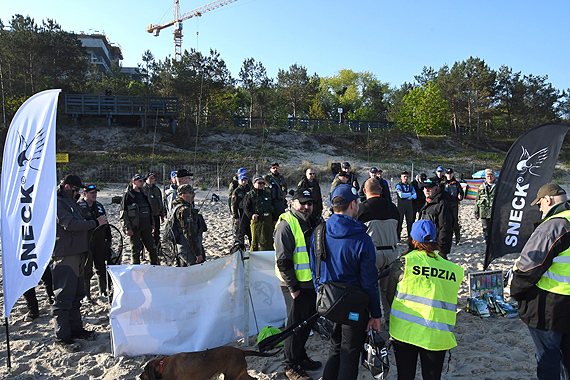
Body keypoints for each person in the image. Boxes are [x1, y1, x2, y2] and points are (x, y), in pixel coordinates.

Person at [310, 184, 381, 380]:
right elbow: (369, 282)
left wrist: (322, 294)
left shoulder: (319, 232)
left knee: (335, 348)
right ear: (352, 204)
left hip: (328, 302)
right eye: (357, 202)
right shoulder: (362, 239)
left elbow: (314, 269)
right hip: (354, 305)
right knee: (350, 354)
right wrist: (376, 313)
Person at [387, 219, 464, 380]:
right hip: (436, 332)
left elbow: (389, 296)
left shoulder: (403, 264)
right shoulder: (454, 270)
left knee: (405, 376)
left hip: (404, 331)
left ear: (412, 240)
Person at [511, 183, 570, 380]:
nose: (540, 209)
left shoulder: (554, 225)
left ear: (548, 200)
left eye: (540, 204)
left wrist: (516, 292)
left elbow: (529, 268)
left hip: (551, 305)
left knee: (548, 357)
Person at [52, 175, 107, 350]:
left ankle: (76, 329)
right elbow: (70, 224)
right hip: (65, 255)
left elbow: (78, 222)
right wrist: (94, 223)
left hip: (78, 253)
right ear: (67, 186)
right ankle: (62, 337)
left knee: (77, 296)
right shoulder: (58, 202)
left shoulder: (71, 201)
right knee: (63, 298)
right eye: (76, 190)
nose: (77, 193)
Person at [274, 188, 320, 380]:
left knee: (307, 324)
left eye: (310, 203)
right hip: (295, 287)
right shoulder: (287, 225)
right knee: (294, 327)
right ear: (293, 203)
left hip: (310, 284)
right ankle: (290, 365)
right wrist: (293, 287)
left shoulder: (313, 221)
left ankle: (300, 357)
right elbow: (283, 260)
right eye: (302, 203)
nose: (306, 207)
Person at [357, 178, 400, 327]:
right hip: (392, 253)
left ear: (364, 191)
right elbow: (398, 230)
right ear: (381, 190)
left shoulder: (361, 209)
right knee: (388, 291)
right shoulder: (393, 208)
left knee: (370, 288)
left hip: (373, 254)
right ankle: (390, 319)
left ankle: (372, 320)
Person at [77, 184, 111, 301]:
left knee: (101, 266)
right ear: (85, 194)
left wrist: (108, 240)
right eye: (92, 193)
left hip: (100, 240)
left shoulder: (99, 206)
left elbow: (106, 225)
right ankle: (86, 294)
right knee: (86, 268)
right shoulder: (79, 207)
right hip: (85, 241)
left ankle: (103, 291)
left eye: (95, 193)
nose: (94, 195)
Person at [120, 173, 158, 265]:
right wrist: (127, 228)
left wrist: (152, 224)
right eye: (140, 181)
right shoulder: (128, 195)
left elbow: (149, 210)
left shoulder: (144, 194)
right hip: (135, 227)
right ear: (134, 182)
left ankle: (155, 267)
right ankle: (136, 270)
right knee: (135, 251)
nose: (142, 183)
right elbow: (123, 213)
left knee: (152, 249)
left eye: (143, 181)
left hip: (146, 227)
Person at [418, 178, 453, 259]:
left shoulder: (442, 204)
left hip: (436, 247)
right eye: (425, 188)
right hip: (425, 245)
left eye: (429, 188)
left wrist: (441, 249)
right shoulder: (427, 203)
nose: (426, 190)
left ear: (437, 188)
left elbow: (445, 228)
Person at [170, 184, 204, 266]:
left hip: (181, 248)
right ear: (183, 195)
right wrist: (197, 253)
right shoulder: (184, 210)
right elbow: (189, 233)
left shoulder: (177, 207)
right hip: (187, 249)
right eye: (191, 193)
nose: (194, 195)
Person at [244, 175, 274, 251]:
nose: (262, 185)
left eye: (263, 183)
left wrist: (274, 219)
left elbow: (272, 207)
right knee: (254, 241)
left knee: (268, 240)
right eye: (259, 183)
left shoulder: (267, 194)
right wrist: (251, 215)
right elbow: (246, 208)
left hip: (267, 219)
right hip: (256, 220)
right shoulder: (249, 195)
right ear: (254, 183)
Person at [143, 172, 166, 248]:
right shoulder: (143, 189)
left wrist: (162, 214)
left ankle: (157, 249)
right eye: (151, 178)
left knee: (157, 233)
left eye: (153, 178)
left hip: (156, 215)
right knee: (146, 234)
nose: (153, 180)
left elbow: (160, 202)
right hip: (146, 216)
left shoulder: (157, 189)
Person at [442, 168, 464, 245]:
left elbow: (461, 192)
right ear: (445, 174)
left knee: (455, 221)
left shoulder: (456, 183)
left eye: (450, 174)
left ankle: (458, 239)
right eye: (448, 174)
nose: (449, 175)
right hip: (445, 204)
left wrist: (460, 195)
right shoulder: (443, 183)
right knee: (445, 222)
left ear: (453, 174)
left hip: (454, 204)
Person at [475, 169, 497, 246]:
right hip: (484, 211)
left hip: (495, 212)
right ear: (485, 177)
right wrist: (476, 212)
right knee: (485, 228)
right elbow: (477, 199)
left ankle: (494, 243)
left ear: (494, 176)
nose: (489, 177)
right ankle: (488, 243)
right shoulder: (481, 187)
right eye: (488, 176)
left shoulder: (498, 186)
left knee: (495, 228)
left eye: (491, 176)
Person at [231, 174, 252, 245]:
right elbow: (234, 205)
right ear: (239, 181)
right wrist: (236, 217)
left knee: (250, 233)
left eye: (245, 180)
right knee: (240, 233)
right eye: (242, 180)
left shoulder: (249, 189)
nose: (244, 182)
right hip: (240, 213)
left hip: (248, 213)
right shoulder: (236, 191)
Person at [396, 171, 417, 239]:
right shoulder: (399, 185)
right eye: (404, 176)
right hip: (401, 206)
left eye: (407, 176)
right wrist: (410, 194)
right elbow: (401, 195)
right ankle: (398, 236)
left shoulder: (410, 186)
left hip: (409, 206)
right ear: (401, 177)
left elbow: (415, 195)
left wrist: (409, 196)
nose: (406, 178)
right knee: (400, 222)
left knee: (410, 221)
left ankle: (410, 236)